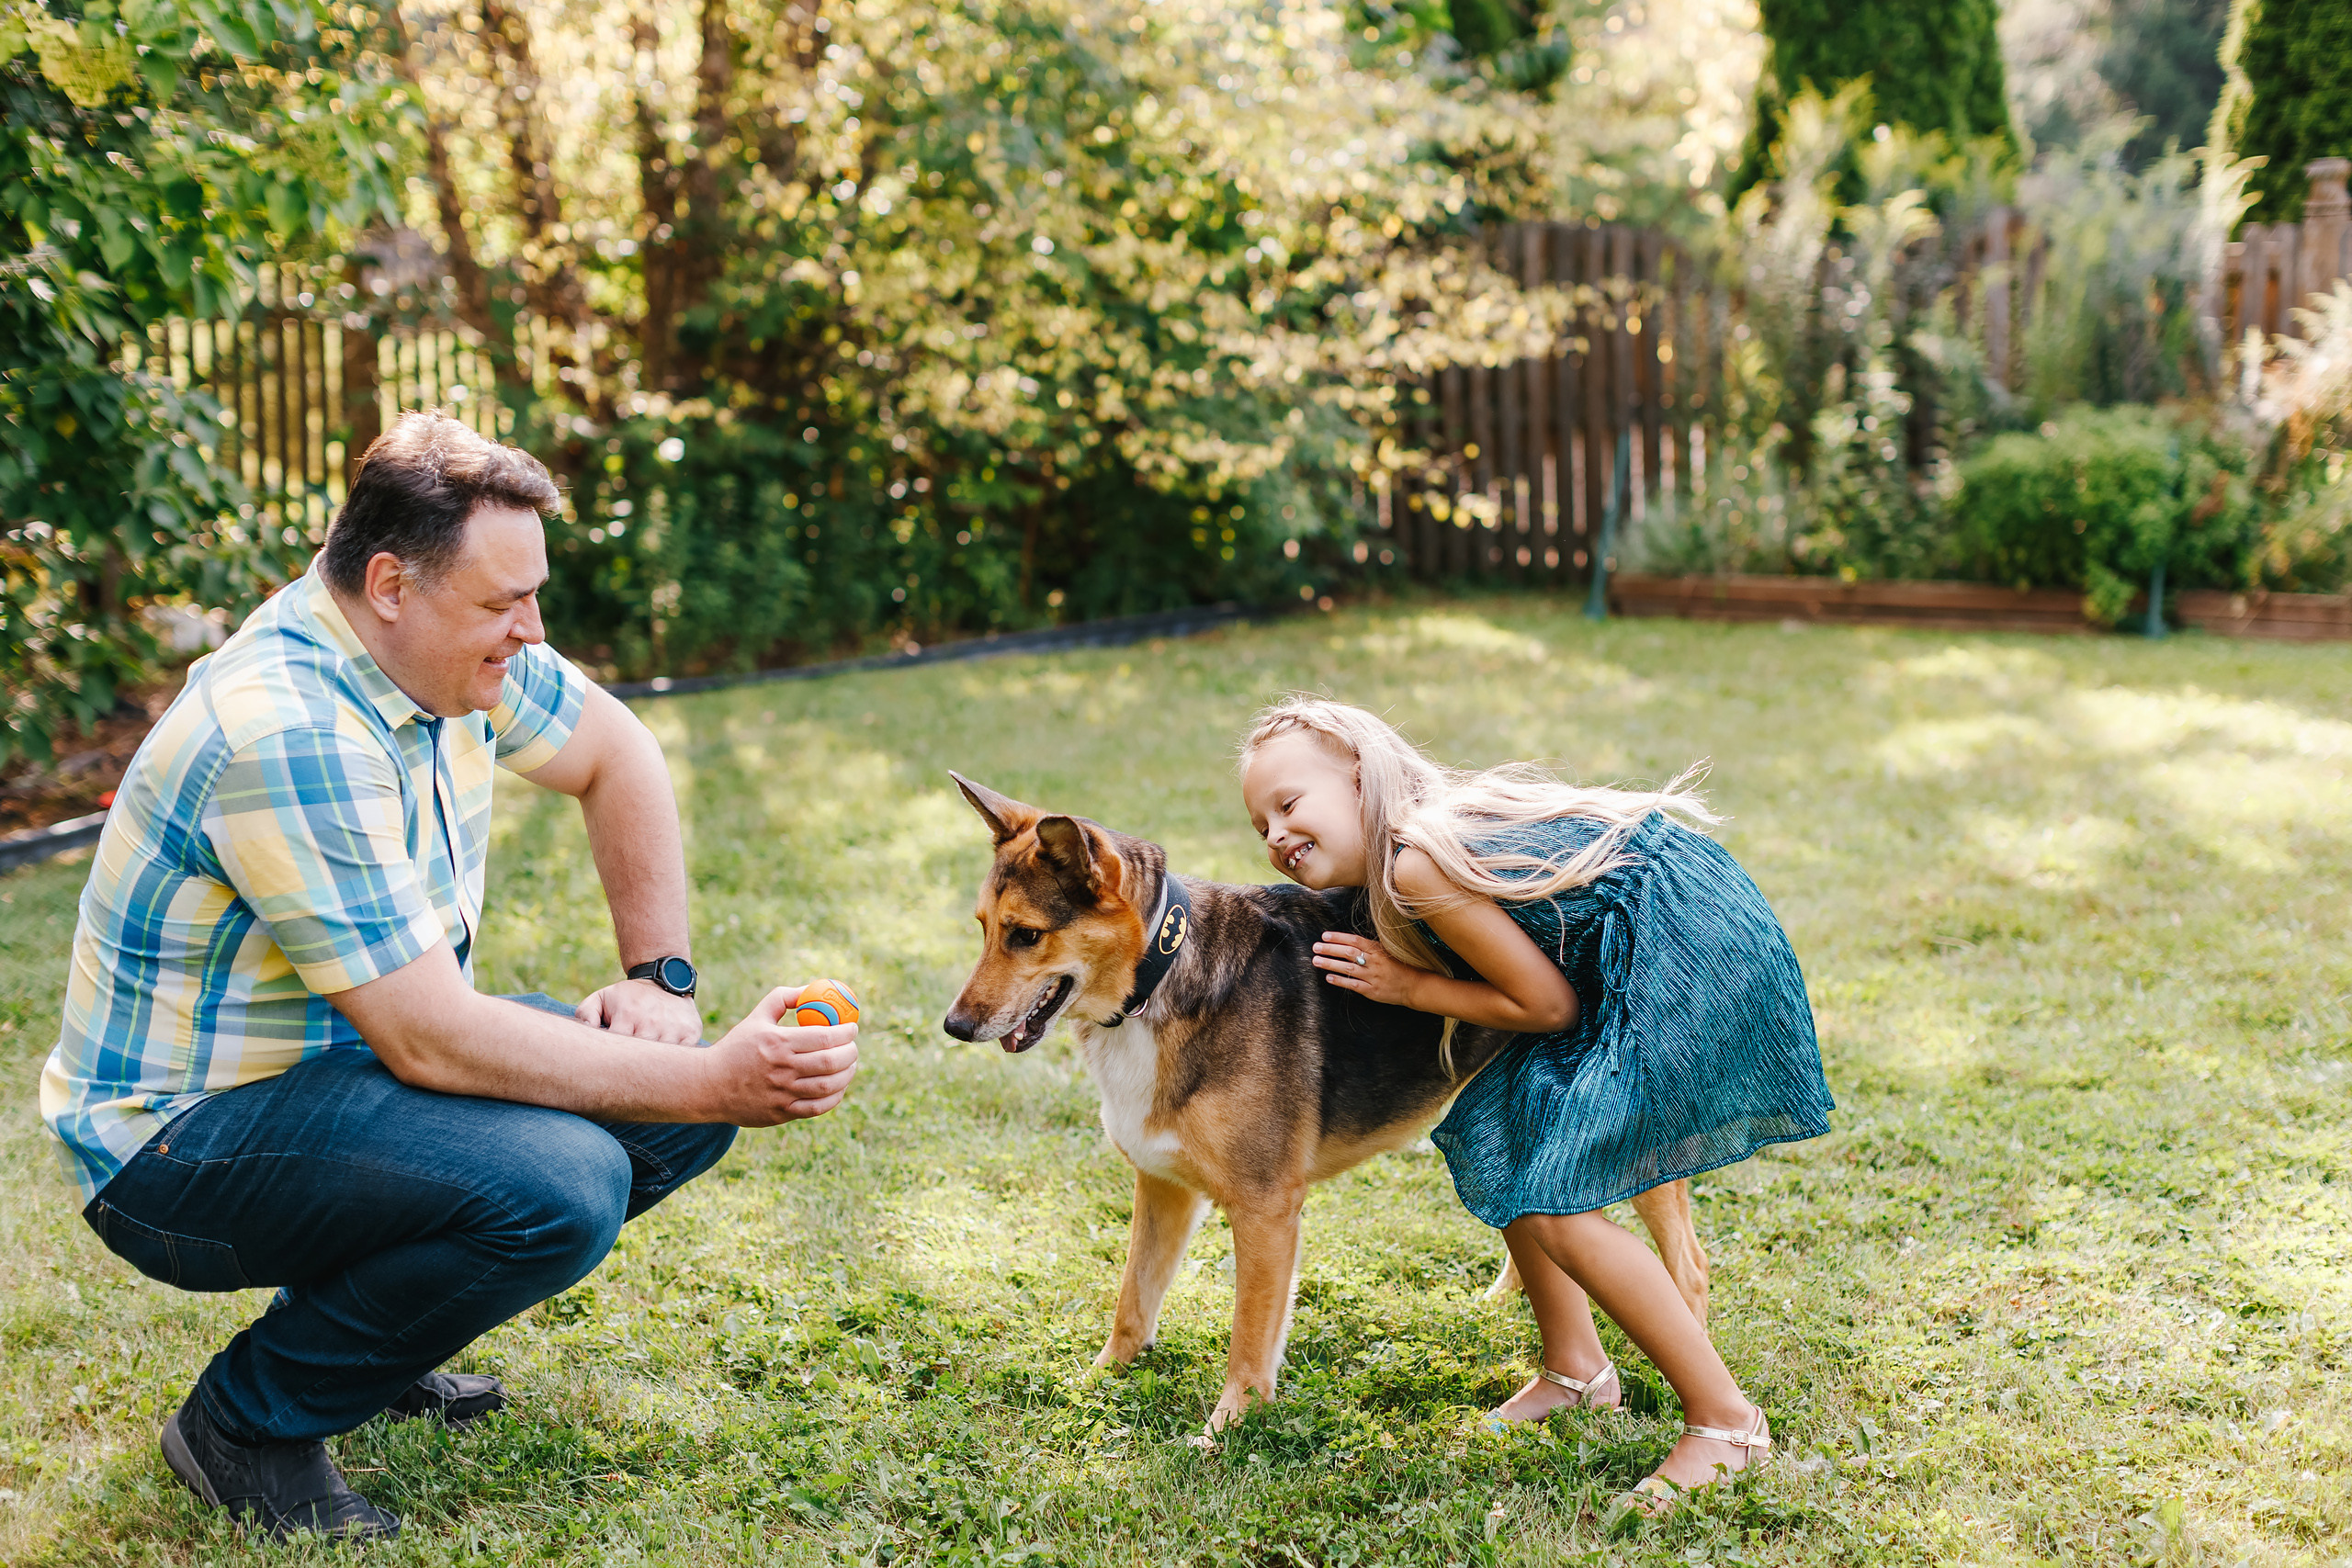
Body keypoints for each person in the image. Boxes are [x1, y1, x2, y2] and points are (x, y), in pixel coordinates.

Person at [39, 412, 860, 1541]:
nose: (531, 630)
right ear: (389, 582)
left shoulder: (447, 649)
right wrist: (721, 1078)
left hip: (335, 1082)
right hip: (177, 1149)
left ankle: (358, 1350)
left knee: (657, 1099)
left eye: (531, 595)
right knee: (563, 1180)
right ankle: (245, 1425)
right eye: (502, 602)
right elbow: (433, 1041)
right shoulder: (288, 729)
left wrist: (661, 987)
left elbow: (617, 753)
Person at [1236, 697, 1832, 1510]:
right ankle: (1577, 1370)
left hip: (1686, 949)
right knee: (1497, 1132)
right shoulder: (1410, 851)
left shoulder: (1416, 862)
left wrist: (1408, 985)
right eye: (1260, 823)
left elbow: (1546, 1005)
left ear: (1356, 770)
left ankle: (1729, 1424)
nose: (1273, 834)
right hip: (1648, 944)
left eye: (1288, 804)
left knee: (1555, 1202)